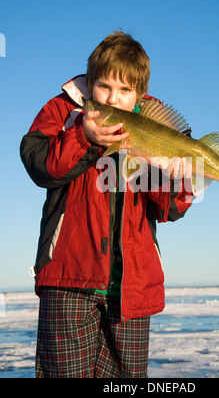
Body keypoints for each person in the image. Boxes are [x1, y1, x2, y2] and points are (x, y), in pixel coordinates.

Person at [20, 31, 194, 378]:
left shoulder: (158, 126)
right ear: (90, 81)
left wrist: (171, 176)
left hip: (132, 286)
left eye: (125, 90)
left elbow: (174, 208)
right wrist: (83, 137)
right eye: (104, 87)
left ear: (139, 94)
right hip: (68, 277)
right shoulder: (62, 110)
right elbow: (39, 164)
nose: (113, 99)